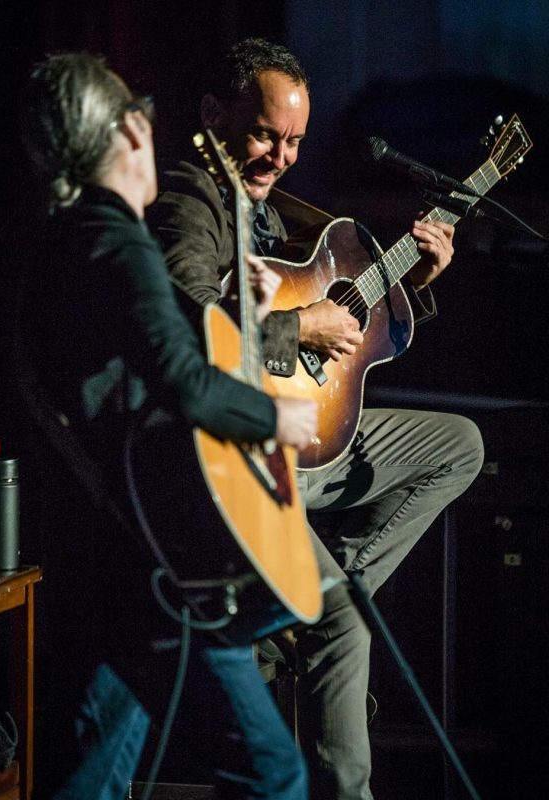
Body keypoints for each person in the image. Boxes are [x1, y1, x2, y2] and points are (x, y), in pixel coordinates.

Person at [146, 37, 485, 800]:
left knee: (458, 445)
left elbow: (343, 319)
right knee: (345, 625)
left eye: (295, 141)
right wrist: (301, 329)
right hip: (247, 458)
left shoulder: (273, 210)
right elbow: (187, 327)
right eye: (266, 135)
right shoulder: (190, 200)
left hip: (309, 435)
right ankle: (321, 615)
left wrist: (413, 284)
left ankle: (322, 594)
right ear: (213, 114)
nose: (282, 158)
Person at [16, 51, 319, 800]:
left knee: (92, 776)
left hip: (106, 555)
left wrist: (247, 320)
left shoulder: (66, 239)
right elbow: (183, 381)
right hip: (157, 563)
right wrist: (277, 415)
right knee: (274, 771)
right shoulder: (119, 241)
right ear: (127, 132)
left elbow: (141, 372)